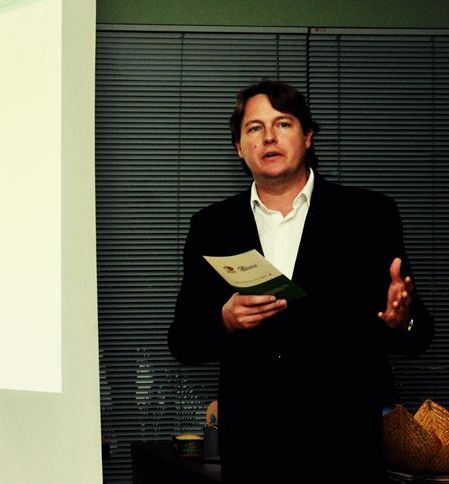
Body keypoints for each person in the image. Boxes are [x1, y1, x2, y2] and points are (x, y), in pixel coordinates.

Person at [167, 80, 433, 484]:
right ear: (239, 147)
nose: (268, 137)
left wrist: (401, 320)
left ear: (307, 136)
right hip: (253, 450)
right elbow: (182, 341)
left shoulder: (368, 215)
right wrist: (225, 320)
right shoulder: (212, 226)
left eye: (283, 124)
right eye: (254, 128)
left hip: (345, 448)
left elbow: (420, 335)